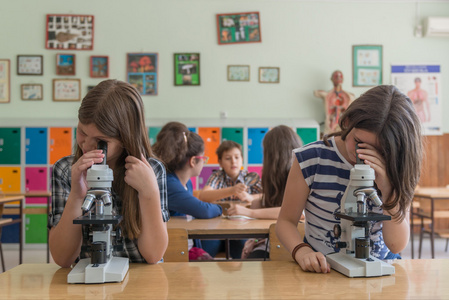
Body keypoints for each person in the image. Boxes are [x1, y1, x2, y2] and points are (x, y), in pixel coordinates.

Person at [277, 85, 423, 273]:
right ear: (347, 122)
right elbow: (286, 221)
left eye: (379, 150)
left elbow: (396, 245)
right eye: (359, 142)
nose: (362, 155)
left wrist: (388, 188)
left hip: (381, 268)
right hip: (322, 267)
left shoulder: (396, 165)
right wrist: (301, 251)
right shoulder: (311, 159)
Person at [49, 79, 169, 267]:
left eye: (100, 141)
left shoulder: (152, 171)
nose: (87, 146)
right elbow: (62, 259)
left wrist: (149, 193)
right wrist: (76, 196)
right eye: (81, 132)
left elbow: (153, 255)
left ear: (125, 138)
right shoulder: (65, 170)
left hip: (142, 282)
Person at [226, 125, 303, 259]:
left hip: (297, 245)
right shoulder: (272, 177)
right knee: (247, 257)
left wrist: (250, 212)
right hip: (273, 241)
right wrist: (254, 240)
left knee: (251, 263)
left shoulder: (297, 173)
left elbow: (298, 213)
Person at [152, 121, 222, 260]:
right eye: (203, 158)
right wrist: (221, 208)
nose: (204, 162)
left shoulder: (186, 183)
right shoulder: (168, 183)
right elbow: (204, 210)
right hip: (173, 249)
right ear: (193, 161)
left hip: (186, 243)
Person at [198, 140, 262, 258]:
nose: (233, 161)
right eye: (228, 158)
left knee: (242, 246)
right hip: (216, 229)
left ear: (242, 159)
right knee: (207, 246)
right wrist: (232, 190)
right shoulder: (216, 176)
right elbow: (203, 196)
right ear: (220, 162)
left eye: (237, 157)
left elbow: (267, 196)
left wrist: (250, 197)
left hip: (240, 229)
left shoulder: (249, 177)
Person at [314, 70, 355, 134]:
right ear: (332, 79)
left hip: (343, 124)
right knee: (328, 141)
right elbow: (316, 93)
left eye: (340, 77)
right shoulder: (327, 95)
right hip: (330, 124)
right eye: (336, 77)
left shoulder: (349, 96)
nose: (338, 79)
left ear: (343, 79)